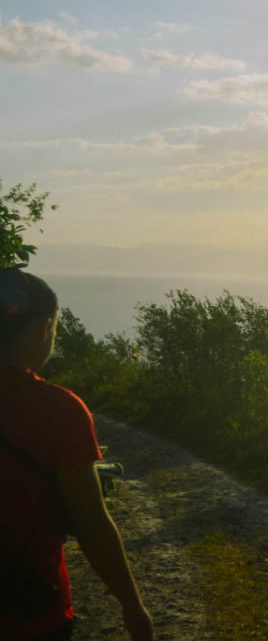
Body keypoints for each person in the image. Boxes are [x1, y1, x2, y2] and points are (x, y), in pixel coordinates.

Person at [0, 268, 152, 641]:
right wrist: (133, 607)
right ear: (43, 330)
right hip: (29, 614)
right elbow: (91, 524)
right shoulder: (57, 410)